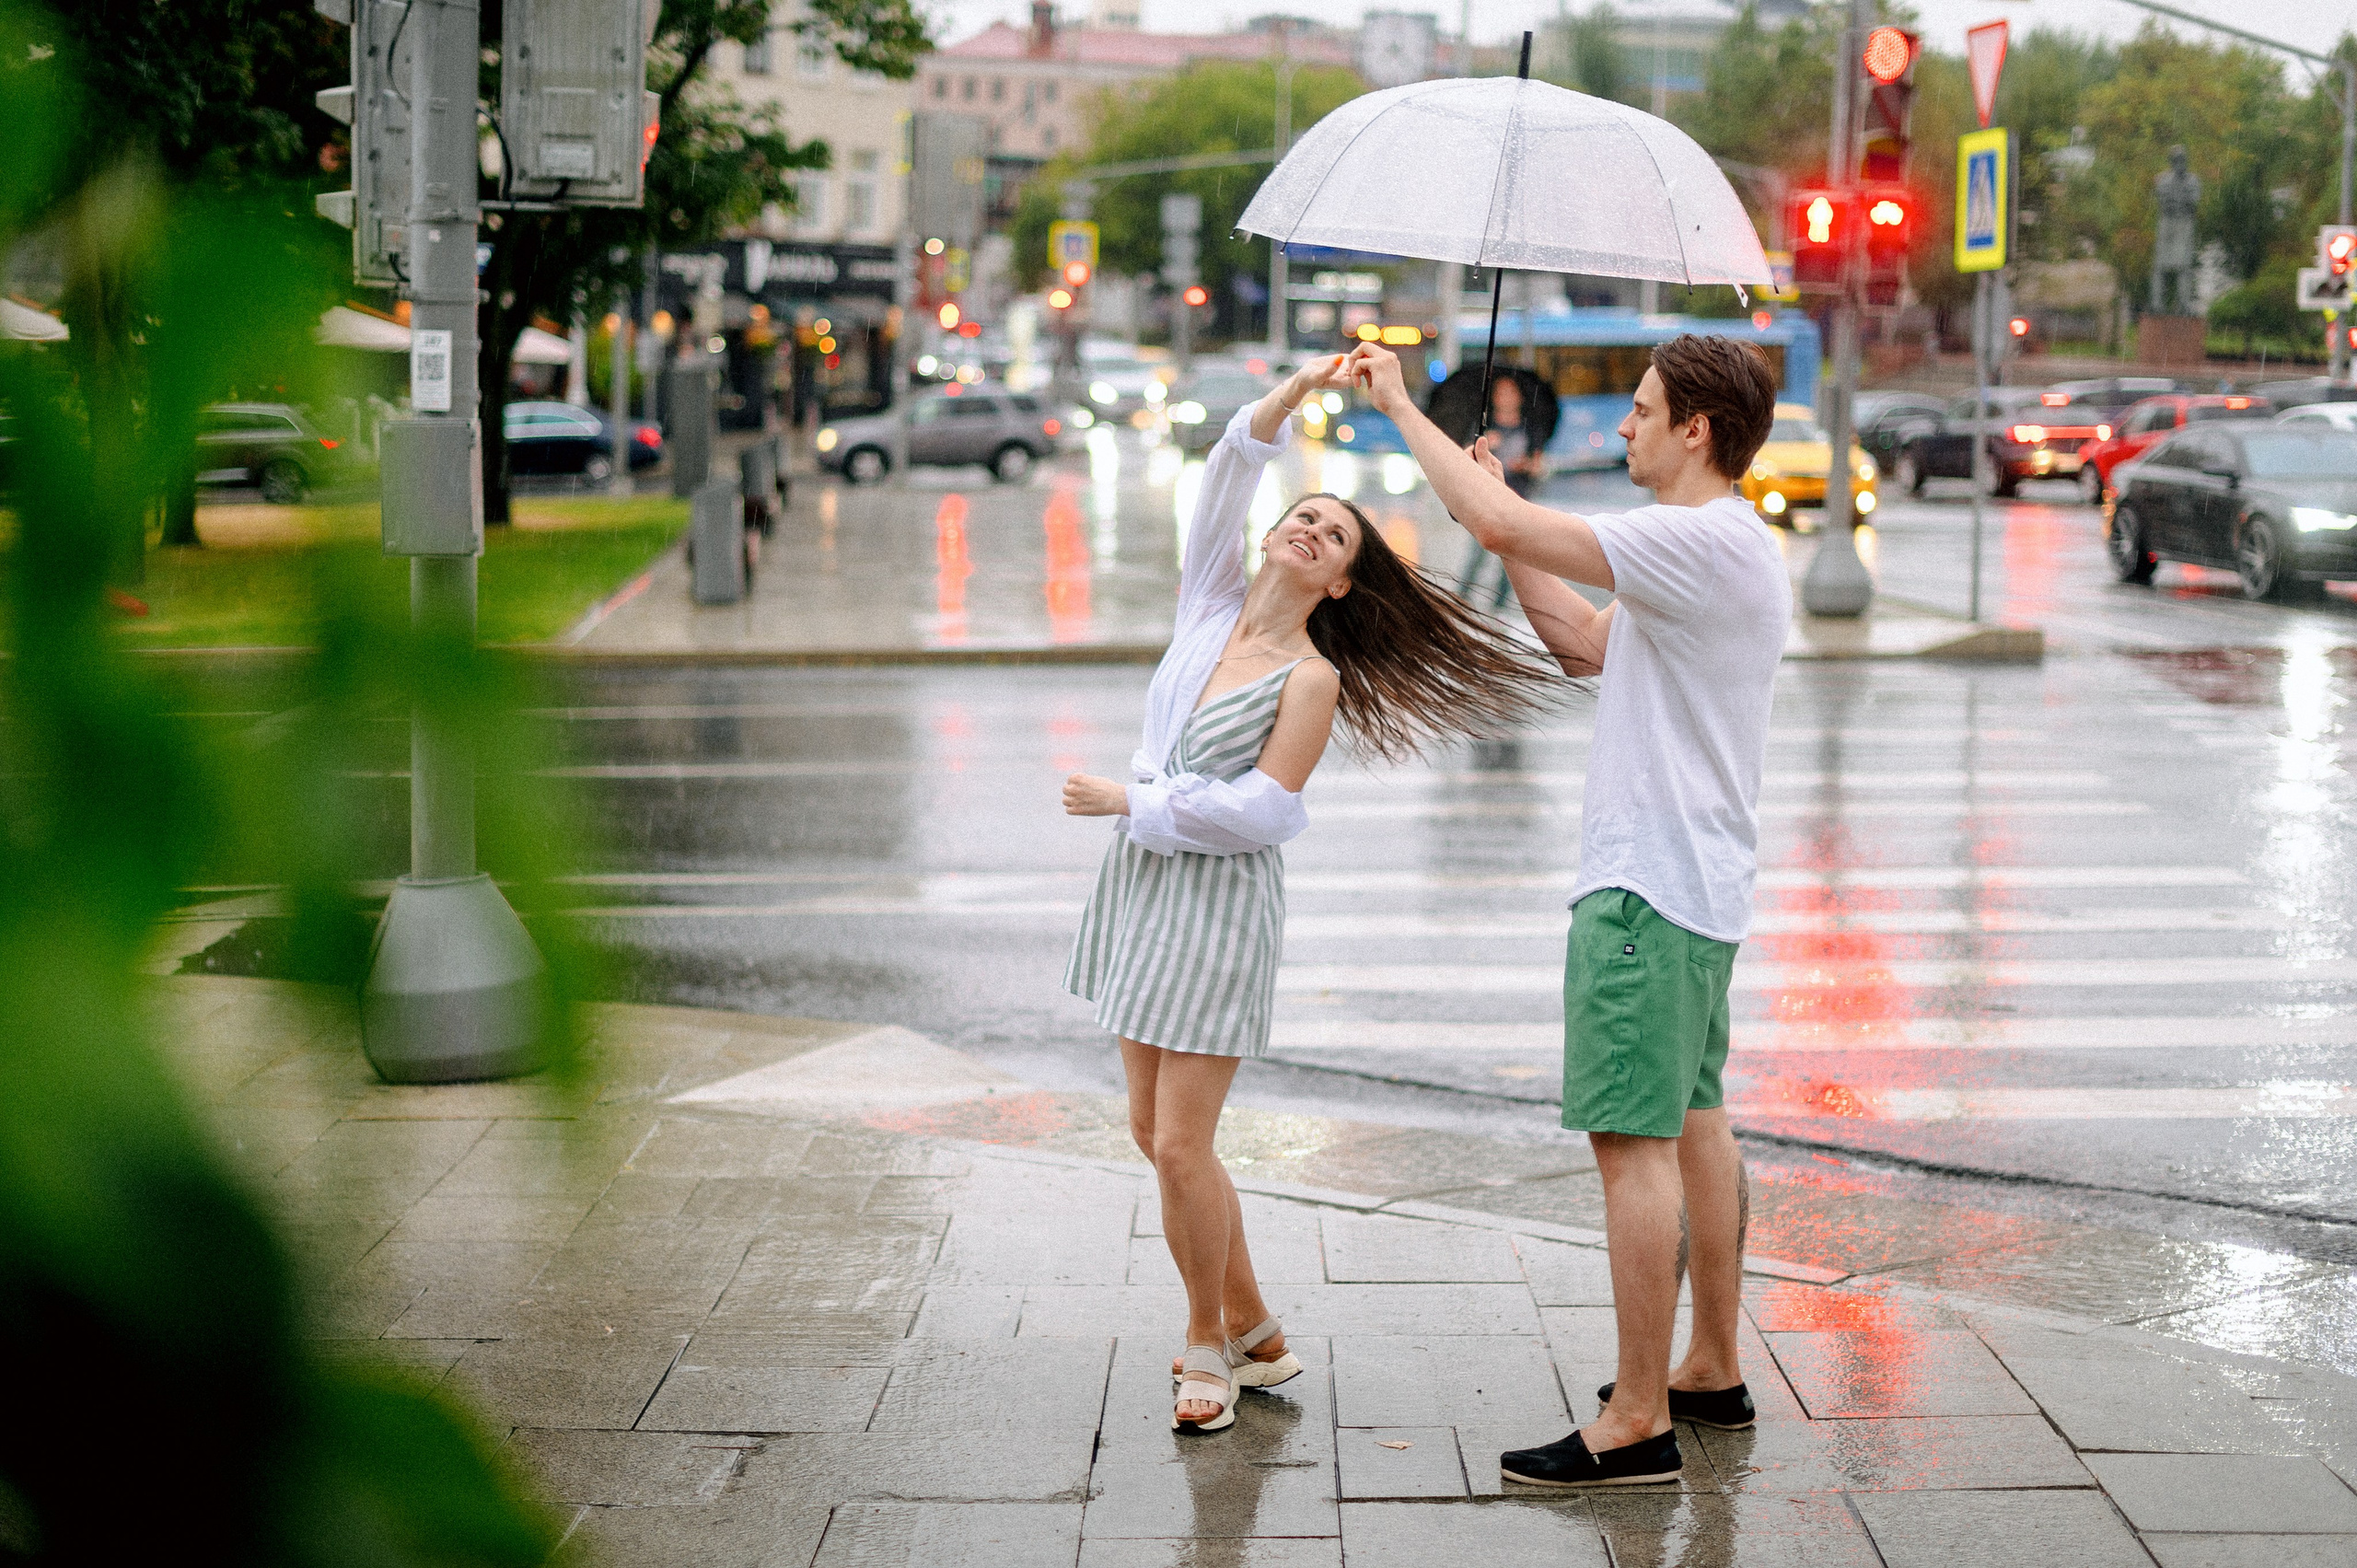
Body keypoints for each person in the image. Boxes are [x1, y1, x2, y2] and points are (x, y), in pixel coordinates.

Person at [1062, 354, 1558, 1434]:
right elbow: (1224, 480)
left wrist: (1132, 799)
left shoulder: (1312, 676)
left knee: (1182, 1144)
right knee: (1151, 1131)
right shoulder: (1209, 607)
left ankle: (1208, 1343)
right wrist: (1285, 398)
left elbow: (1264, 809)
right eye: (1303, 516)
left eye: (1332, 535)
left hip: (1218, 907)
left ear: (1339, 582)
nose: (1309, 530)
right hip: (1143, 886)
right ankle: (1256, 1325)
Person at [1346, 333, 1787, 1487]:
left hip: (1644, 893)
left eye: (1640, 409)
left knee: (1629, 1144)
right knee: (1693, 1120)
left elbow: (1496, 526)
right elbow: (1585, 645)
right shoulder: (1720, 548)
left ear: (1695, 428)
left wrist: (1401, 404)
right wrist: (1504, 514)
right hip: (1694, 887)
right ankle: (1708, 1366)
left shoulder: (1692, 537)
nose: (1624, 426)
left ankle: (1637, 1417)